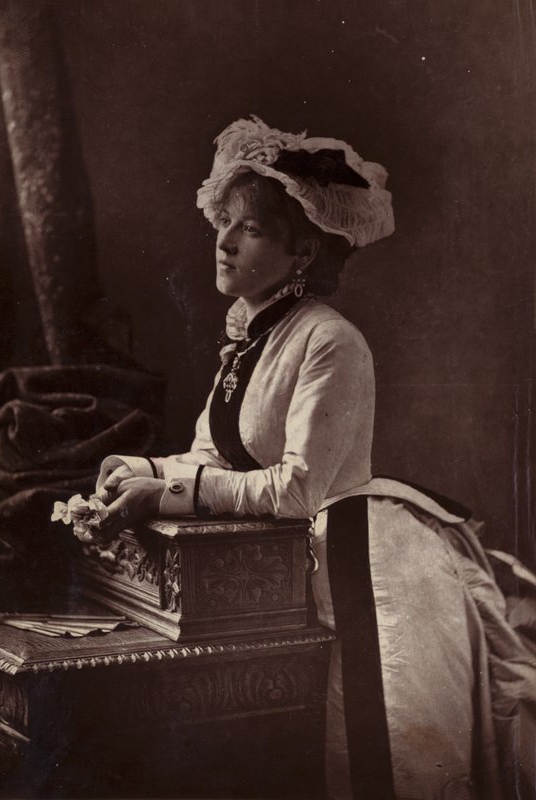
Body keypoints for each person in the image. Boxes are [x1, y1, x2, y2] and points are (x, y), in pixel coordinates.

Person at [94, 116, 535, 800]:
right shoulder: (251, 341)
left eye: (251, 229)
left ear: (301, 251)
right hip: (290, 564)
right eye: (225, 223)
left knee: (379, 752)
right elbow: (213, 459)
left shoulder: (330, 341)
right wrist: (144, 471)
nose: (225, 240)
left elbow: (297, 489)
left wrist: (170, 493)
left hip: (364, 562)